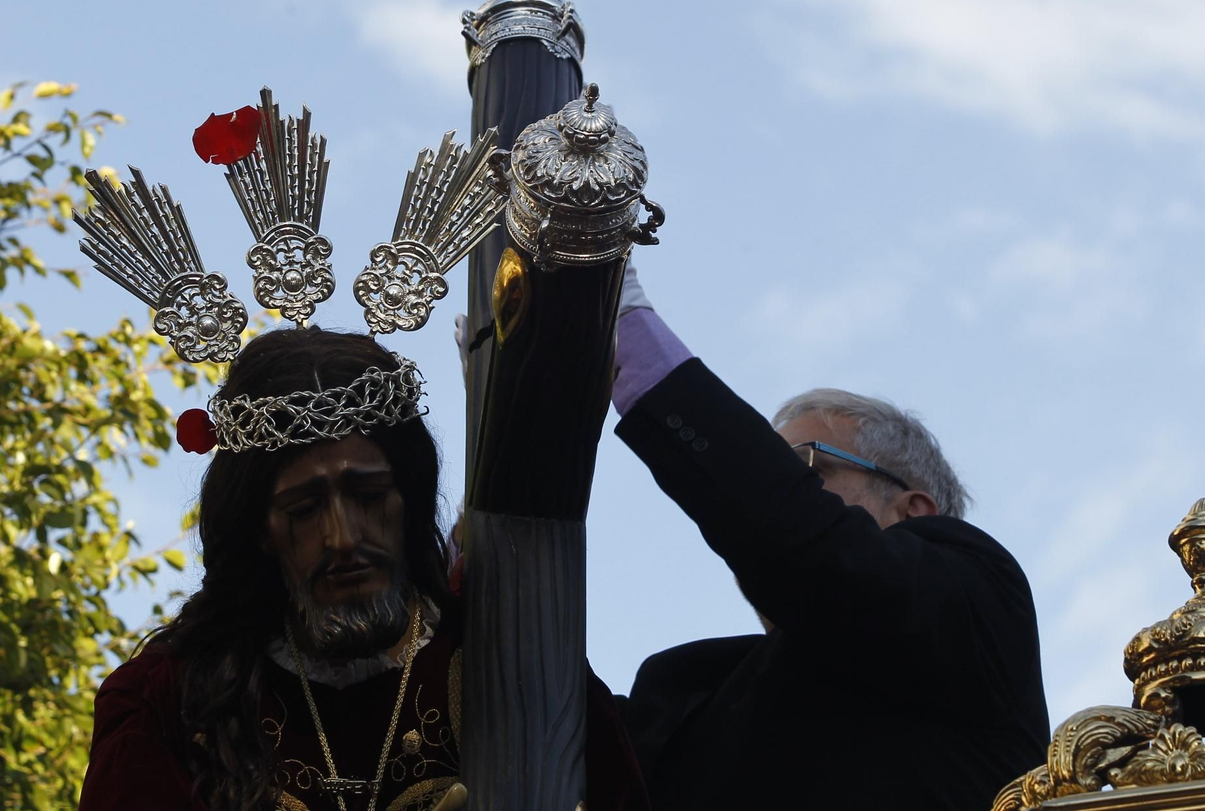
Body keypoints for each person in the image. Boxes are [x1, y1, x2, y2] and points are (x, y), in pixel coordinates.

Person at [78, 326, 647, 811]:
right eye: (304, 509)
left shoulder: (516, 663)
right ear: (259, 529)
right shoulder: (169, 701)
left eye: (369, 496)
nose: (343, 537)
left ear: (409, 499)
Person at [612, 266, 1049, 811]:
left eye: (802, 467)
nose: (773, 482)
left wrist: (626, 333)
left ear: (912, 510)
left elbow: (814, 550)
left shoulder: (980, 598)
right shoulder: (685, 689)